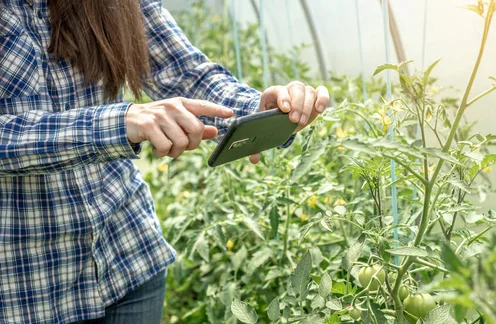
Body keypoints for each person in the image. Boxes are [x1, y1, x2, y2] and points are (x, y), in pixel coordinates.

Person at [0, 0, 329, 323]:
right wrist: (120, 122)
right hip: (28, 287)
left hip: (127, 256)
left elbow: (182, 70)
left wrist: (256, 110)